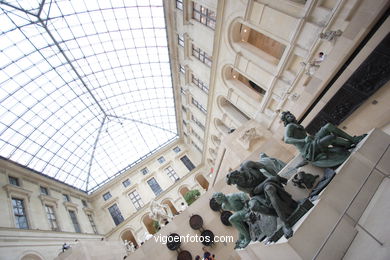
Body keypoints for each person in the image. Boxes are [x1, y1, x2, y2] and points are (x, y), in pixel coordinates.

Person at [280, 111, 366, 167]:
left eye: (290, 114)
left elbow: (308, 138)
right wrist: (303, 140)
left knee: (328, 126)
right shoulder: (289, 126)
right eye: (287, 117)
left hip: (312, 143)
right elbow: (287, 139)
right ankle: (348, 143)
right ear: (286, 121)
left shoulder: (298, 125)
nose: (290, 116)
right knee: (330, 138)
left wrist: (310, 138)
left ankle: (352, 140)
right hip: (308, 150)